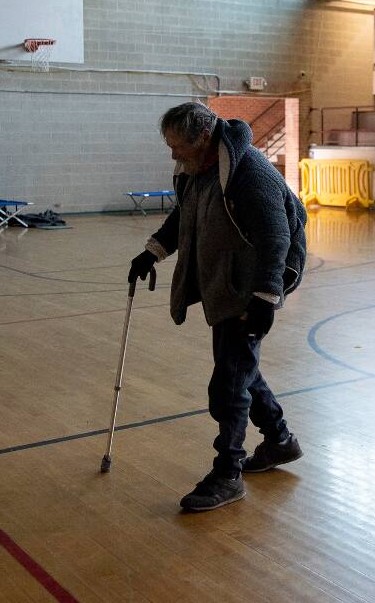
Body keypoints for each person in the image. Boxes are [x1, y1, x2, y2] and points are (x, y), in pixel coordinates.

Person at [129, 102, 307, 512]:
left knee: (227, 384)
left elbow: (276, 237)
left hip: (253, 285)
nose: (173, 154)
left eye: (178, 146)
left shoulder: (250, 173)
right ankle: (279, 440)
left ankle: (228, 473)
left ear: (204, 137)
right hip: (226, 283)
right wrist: (152, 252)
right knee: (241, 367)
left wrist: (265, 297)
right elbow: (184, 215)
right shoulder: (197, 169)